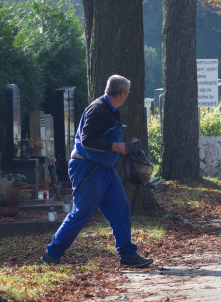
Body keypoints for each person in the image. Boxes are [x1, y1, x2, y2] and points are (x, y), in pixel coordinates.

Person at [42, 75, 153, 268]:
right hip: (88, 168)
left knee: (120, 209)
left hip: (105, 170)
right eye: (127, 93)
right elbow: (88, 140)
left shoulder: (110, 109)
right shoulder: (98, 109)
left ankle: (127, 254)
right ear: (122, 93)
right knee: (81, 214)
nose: (127, 96)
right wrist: (118, 147)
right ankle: (51, 255)